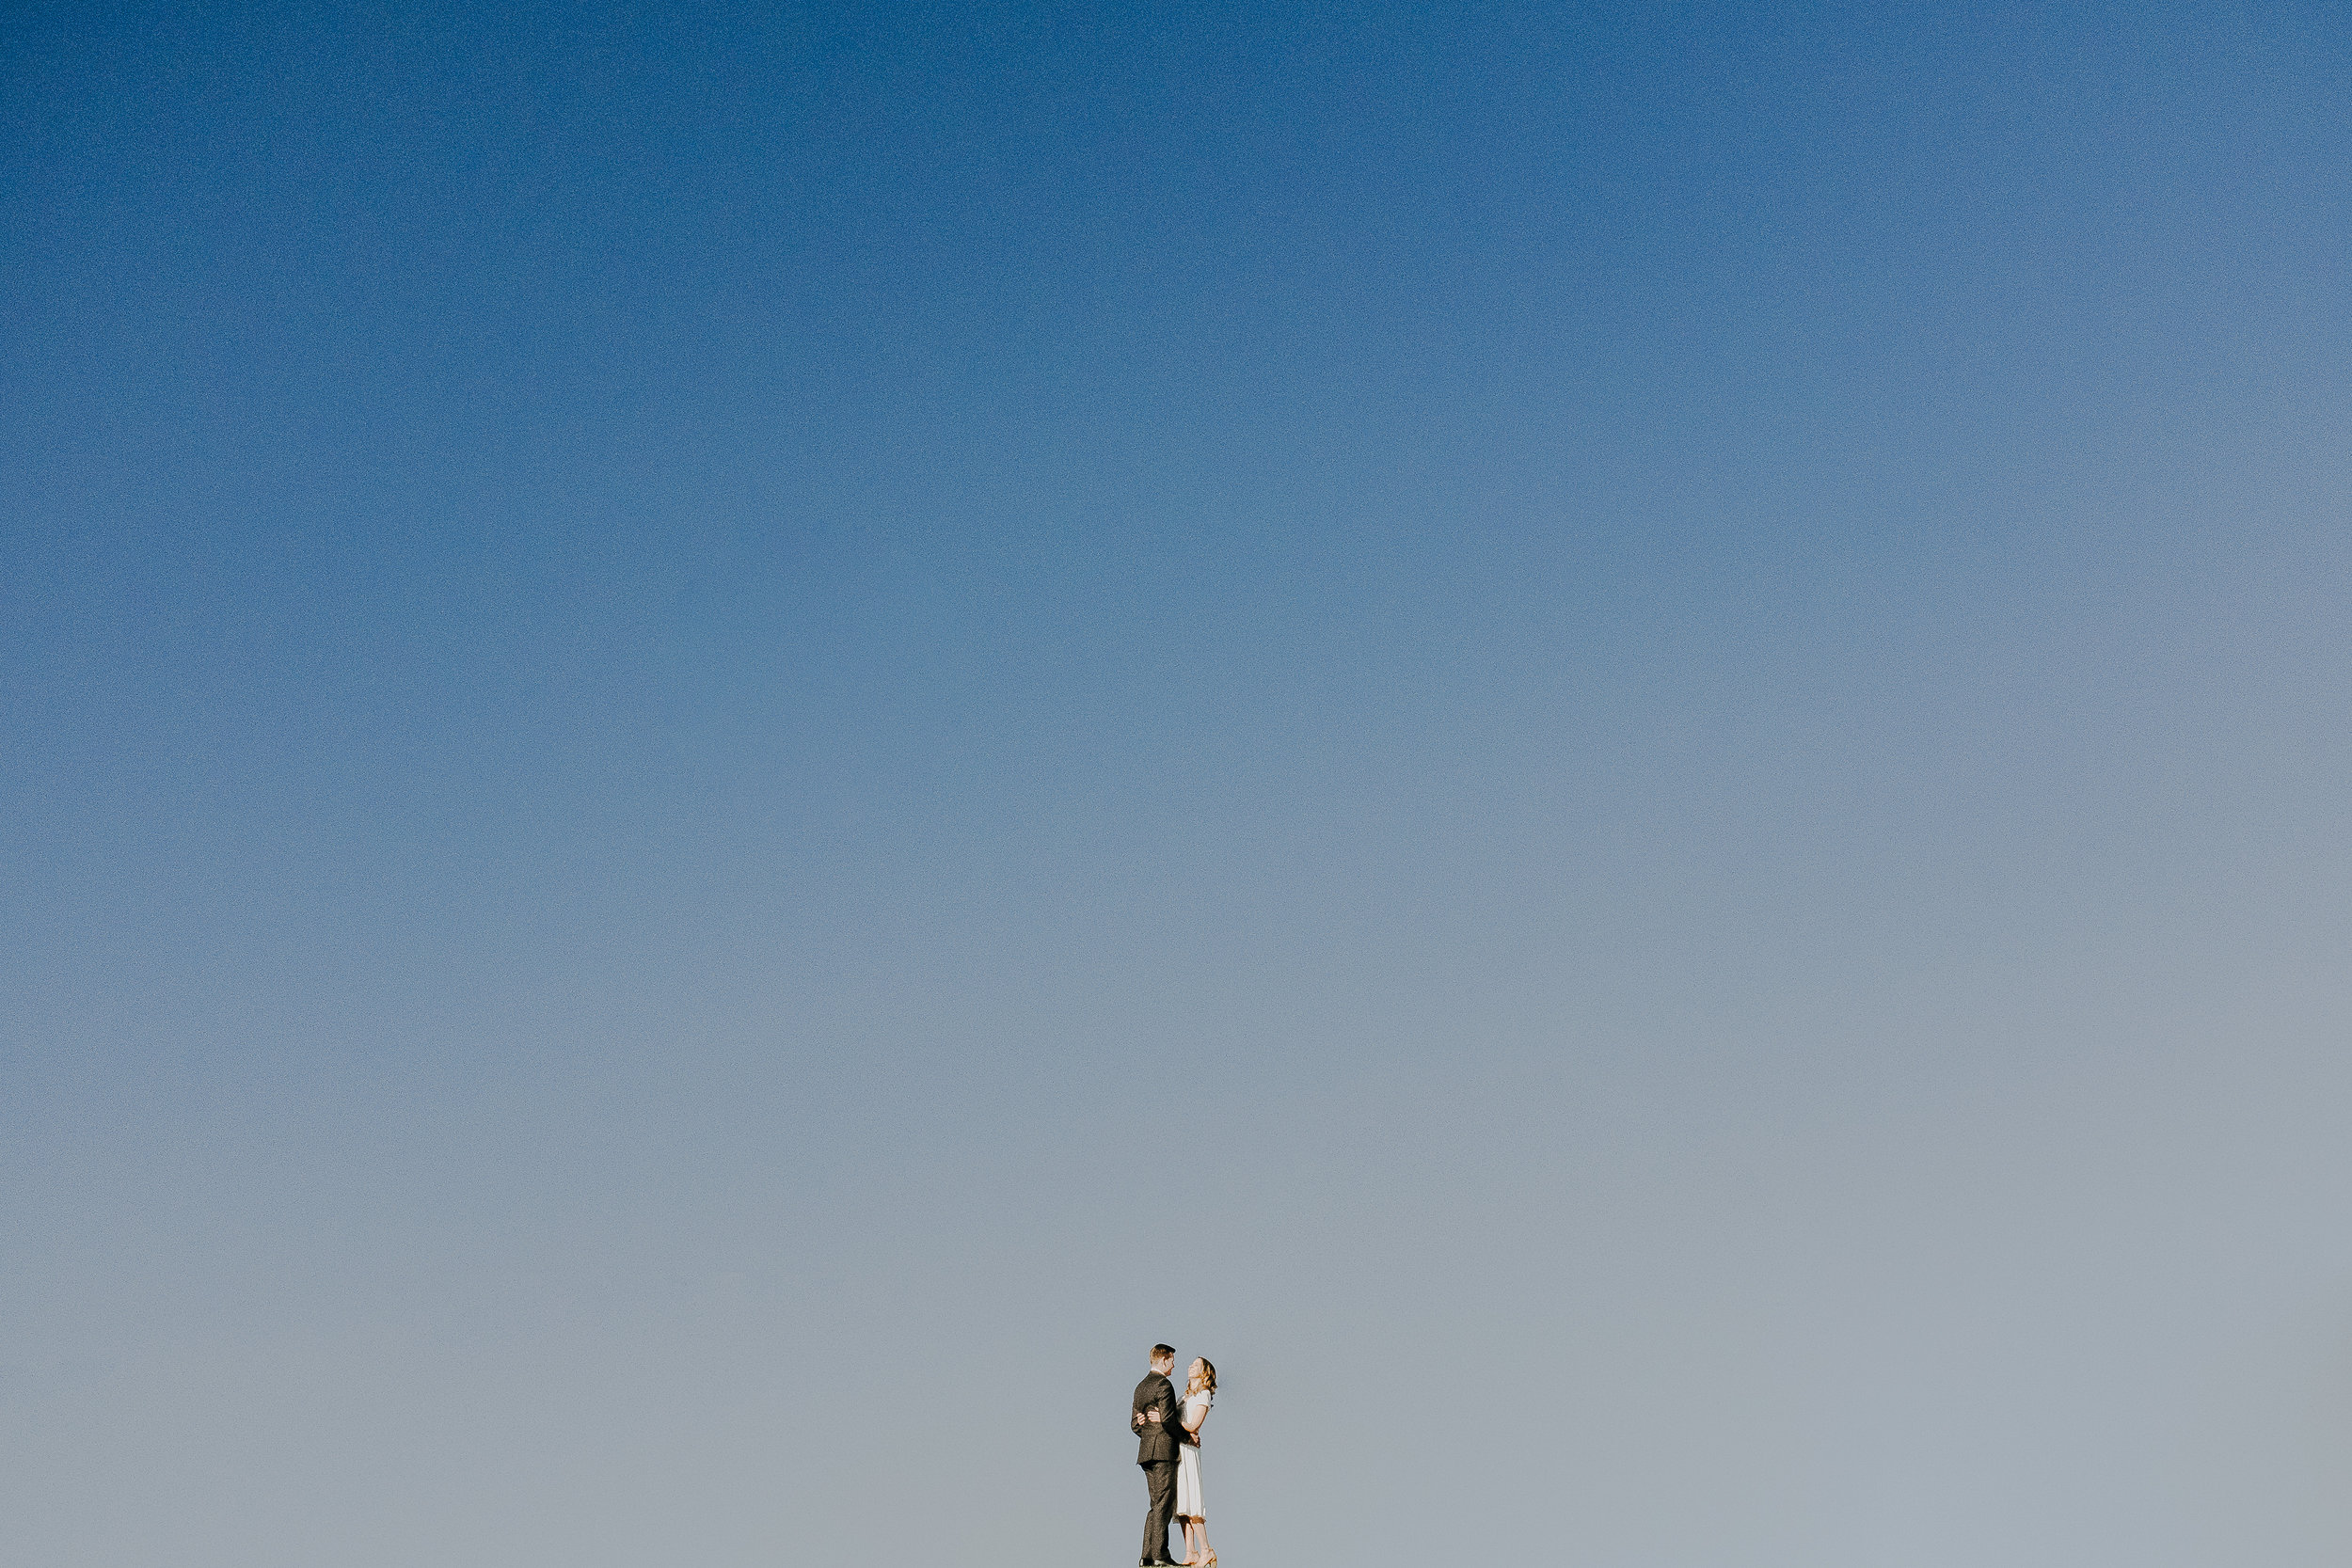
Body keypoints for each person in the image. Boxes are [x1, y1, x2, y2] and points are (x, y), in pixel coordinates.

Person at [1131, 1344, 1183, 1566]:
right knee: (1164, 1503)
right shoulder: (1164, 1384)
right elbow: (1169, 1421)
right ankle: (1161, 1555)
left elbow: (1134, 1424)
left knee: (1155, 1504)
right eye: (1171, 1360)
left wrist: (1146, 1427)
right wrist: (1189, 1437)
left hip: (1145, 1453)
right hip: (1163, 1451)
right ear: (1163, 1359)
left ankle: (1147, 1556)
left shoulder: (1140, 1387)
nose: (1173, 1365)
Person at [1174, 1357, 1217, 1568]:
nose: (1190, 1366)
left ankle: (1206, 1549)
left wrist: (1169, 1420)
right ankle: (1190, 1551)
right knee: (1182, 1505)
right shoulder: (1184, 1397)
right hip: (1178, 1449)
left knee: (1193, 1502)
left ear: (1204, 1373)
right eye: (1190, 1363)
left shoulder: (1203, 1394)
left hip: (1189, 1451)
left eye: (1196, 1365)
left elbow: (1193, 1425)